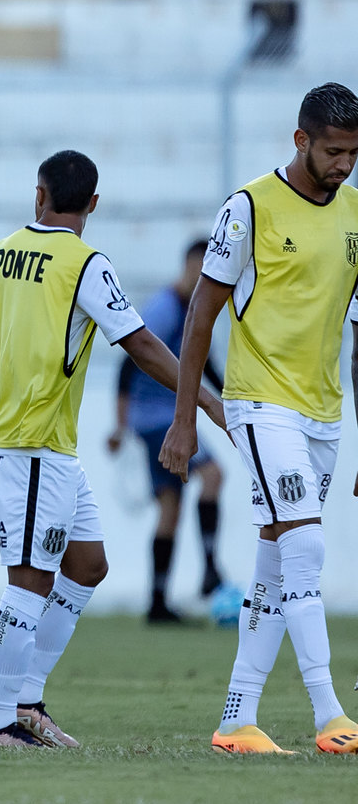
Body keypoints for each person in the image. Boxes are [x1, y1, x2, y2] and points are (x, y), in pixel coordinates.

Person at [0, 151, 226, 749]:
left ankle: (28, 701)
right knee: (29, 581)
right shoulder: (86, 263)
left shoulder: (0, 253)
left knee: (88, 564)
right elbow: (139, 342)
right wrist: (206, 402)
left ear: (39, 194)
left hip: (43, 443)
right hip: (31, 443)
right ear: (92, 205)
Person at [165, 83, 358, 755]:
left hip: (324, 414)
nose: (343, 165)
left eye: (354, 153)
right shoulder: (248, 208)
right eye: (333, 151)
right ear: (301, 140)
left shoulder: (357, 215)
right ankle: (331, 713)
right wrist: (186, 417)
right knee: (305, 547)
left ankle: (236, 718)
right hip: (259, 404)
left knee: (278, 561)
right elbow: (200, 316)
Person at [107, 239, 228, 623]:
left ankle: (157, 601)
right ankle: (209, 569)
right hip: (158, 417)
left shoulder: (193, 308)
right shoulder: (164, 307)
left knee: (169, 507)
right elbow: (130, 361)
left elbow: (203, 363)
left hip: (159, 416)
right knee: (213, 475)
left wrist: (229, 399)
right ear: (190, 265)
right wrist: (119, 423)